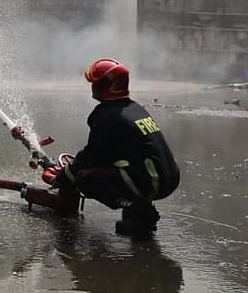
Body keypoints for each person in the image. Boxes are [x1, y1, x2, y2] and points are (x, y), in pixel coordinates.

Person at [18, 58, 180, 237]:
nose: (92, 87)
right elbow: (108, 154)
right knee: (105, 170)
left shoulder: (106, 116)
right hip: (167, 178)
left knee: (85, 178)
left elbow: (91, 157)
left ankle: (137, 210)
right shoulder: (133, 108)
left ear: (104, 86)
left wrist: (65, 176)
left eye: (94, 83)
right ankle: (140, 209)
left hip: (152, 182)